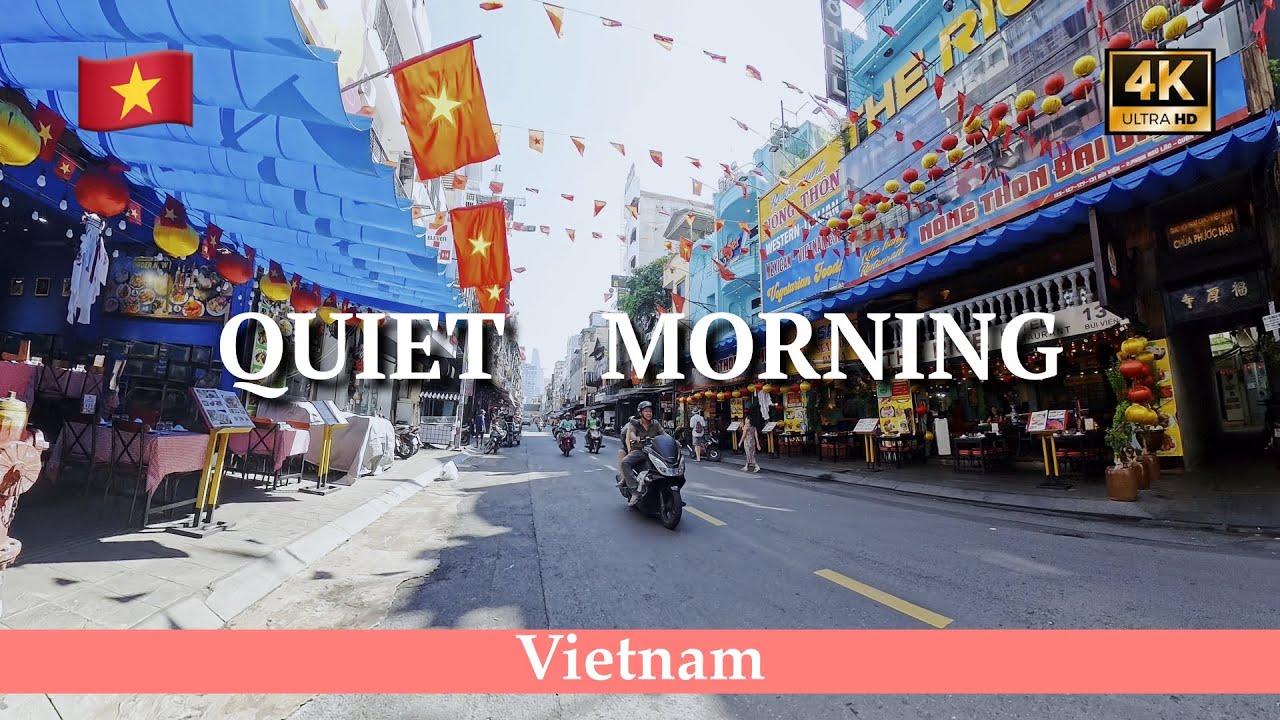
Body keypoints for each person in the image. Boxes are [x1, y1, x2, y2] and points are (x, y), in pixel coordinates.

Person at [619, 401, 666, 506]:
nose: (649, 413)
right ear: (641, 413)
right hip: (640, 451)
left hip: (654, 451)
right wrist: (635, 438)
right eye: (646, 411)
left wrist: (673, 441)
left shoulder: (656, 423)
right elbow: (631, 434)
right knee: (624, 462)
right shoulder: (634, 423)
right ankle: (634, 490)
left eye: (650, 411)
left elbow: (663, 434)